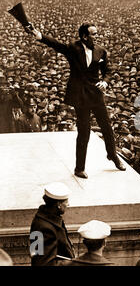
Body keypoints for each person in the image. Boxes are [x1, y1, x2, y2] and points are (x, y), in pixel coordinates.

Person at [25, 23, 126, 179]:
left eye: (97, 33)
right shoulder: (74, 48)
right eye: (94, 34)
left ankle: (112, 155)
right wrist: (38, 35)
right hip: (80, 96)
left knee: (106, 126)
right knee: (83, 131)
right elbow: (57, 45)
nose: (97, 36)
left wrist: (105, 81)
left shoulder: (101, 51)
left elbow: (108, 71)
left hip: (96, 94)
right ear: (84, 36)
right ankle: (79, 168)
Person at [30, 182, 75, 266]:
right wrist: (74, 263)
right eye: (66, 201)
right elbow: (42, 263)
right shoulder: (45, 228)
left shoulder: (42, 220)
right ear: (58, 204)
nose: (68, 204)